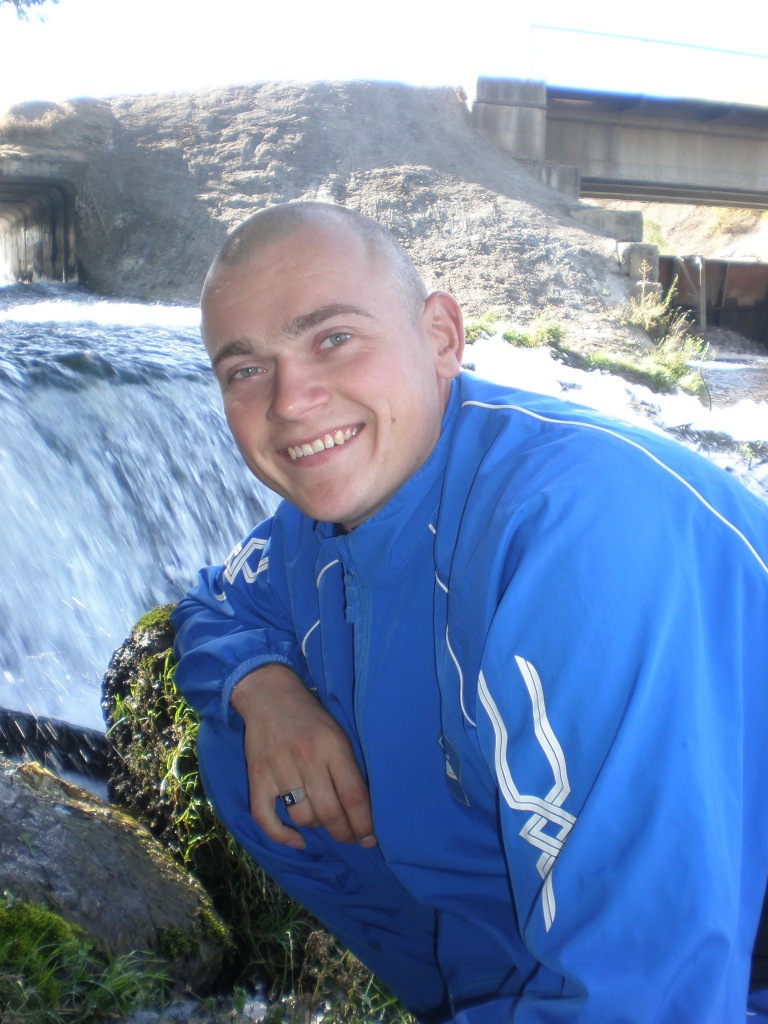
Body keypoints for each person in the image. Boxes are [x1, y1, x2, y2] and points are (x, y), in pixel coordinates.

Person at [171, 201, 768, 1023]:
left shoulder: (572, 530)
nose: (291, 401)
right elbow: (214, 603)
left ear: (442, 338)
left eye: (333, 338)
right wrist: (265, 689)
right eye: (245, 370)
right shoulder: (321, 523)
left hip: (735, 944)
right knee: (241, 751)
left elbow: (651, 983)